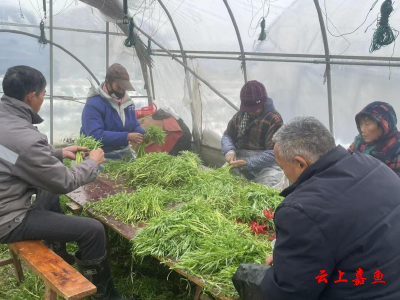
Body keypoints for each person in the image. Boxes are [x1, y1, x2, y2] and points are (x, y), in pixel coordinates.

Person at [0, 66, 140, 300]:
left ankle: (60, 251)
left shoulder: (6, 121)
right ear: (31, 96)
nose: (43, 100)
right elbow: (64, 182)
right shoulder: (25, 136)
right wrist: (92, 162)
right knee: (93, 230)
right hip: (9, 217)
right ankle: (105, 296)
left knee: (47, 191)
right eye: (44, 94)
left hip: (6, 198)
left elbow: (11, 156)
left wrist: (57, 153)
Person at [233, 117, 400, 300]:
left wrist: (281, 271)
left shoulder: (302, 211)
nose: (284, 174)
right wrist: (295, 257)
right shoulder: (375, 166)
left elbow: (287, 293)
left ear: (300, 163)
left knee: (245, 276)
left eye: (282, 167)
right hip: (385, 279)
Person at [221, 80, 284, 188]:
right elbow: (227, 136)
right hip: (240, 160)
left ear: (263, 103)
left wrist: (248, 162)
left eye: (254, 109)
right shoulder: (241, 115)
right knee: (221, 179)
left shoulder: (274, 119)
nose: (250, 112)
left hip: (267, 166)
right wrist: (229, 151)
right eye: (248, 109)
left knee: (264, 190)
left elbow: (274, 153)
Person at [81, 63, 145, 160]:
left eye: (124, 88)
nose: (121, 91)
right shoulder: (94, 104)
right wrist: (126, 137)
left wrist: (143, 134)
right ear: (107, 83)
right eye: (118, 87)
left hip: (122, 152)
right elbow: (95, 135)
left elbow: (133, 124)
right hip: (98, 154)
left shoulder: (128, 103)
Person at [349, 101, 400, 177]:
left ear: (384, 124)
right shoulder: (359, 141)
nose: (362, 129)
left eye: (367, 124)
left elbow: (394, 182)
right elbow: (345, 163)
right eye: (361, 124)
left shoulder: (396, 147)